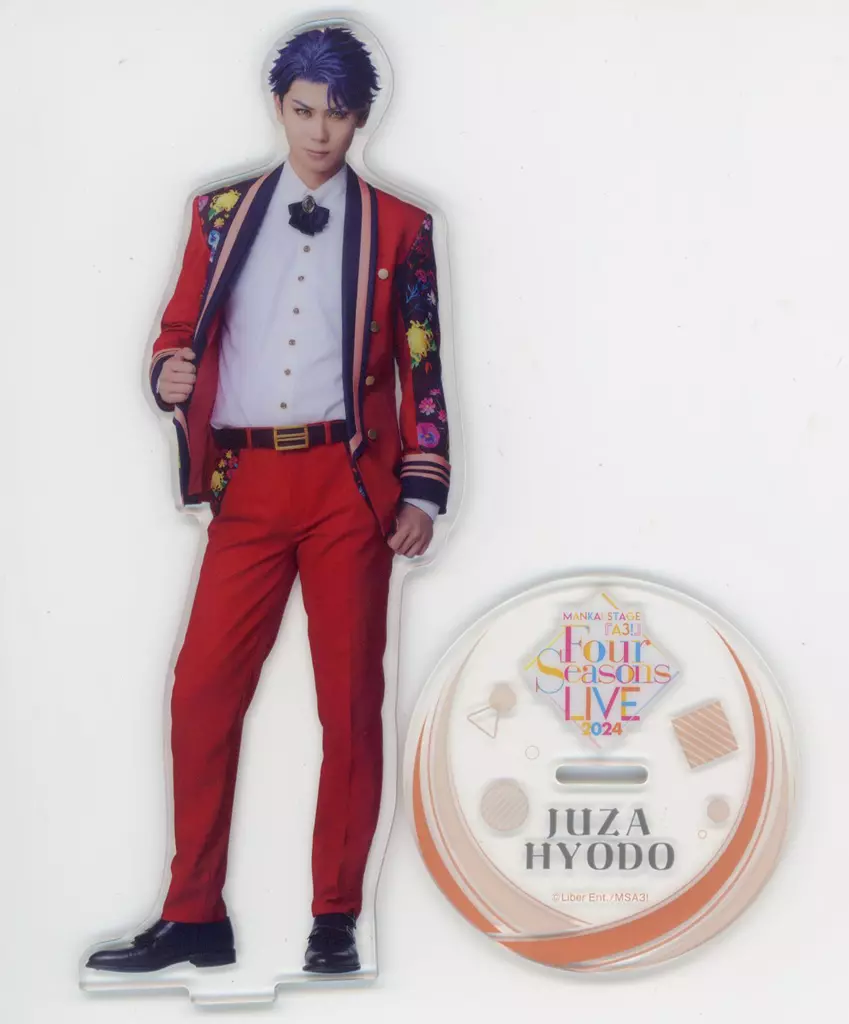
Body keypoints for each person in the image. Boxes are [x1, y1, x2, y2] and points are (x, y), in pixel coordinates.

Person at [85, 24, 450, 976]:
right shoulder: (218, 214)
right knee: (200, 695)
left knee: (349, 705)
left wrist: (421, 487)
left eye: (338, 114)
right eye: (303, 110)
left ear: (362, 119)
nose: (319, 131)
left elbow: (421, 367)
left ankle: (335, 917)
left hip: (347, 487)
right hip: (245, 487)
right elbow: (179, 327)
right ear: (277, 106)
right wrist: (166, 371)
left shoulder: (402, 227)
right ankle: (193, 916)